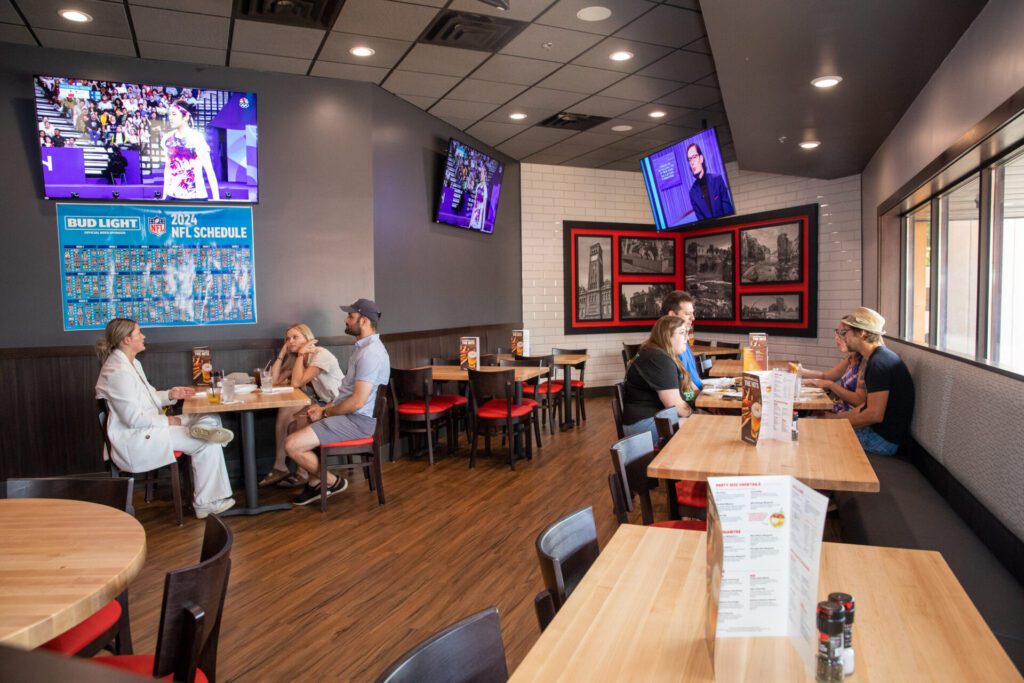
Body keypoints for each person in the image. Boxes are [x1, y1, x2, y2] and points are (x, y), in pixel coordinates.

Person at [94, 318, 235, 518]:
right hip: (137, 438)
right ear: (126, 340)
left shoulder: (131, 363)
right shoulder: (118, 373)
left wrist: (171, 394)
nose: (143, 336)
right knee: (207, 442)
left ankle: (204, 429)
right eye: (139, 332)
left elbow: (147, 398)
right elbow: (133, 419)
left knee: (208, 414)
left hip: (149, 427)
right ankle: (206, 504)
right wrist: (169, 421)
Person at [284, 299, 391, 506]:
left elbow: (357, 402)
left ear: (364, 321)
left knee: (291, 444)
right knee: (294, 425)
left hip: (357, 421)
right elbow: (348, 396)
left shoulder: (370, 353)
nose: (346, 320)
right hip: (350, 416)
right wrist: (325, 407)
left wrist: (325, 413)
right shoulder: (364, 349)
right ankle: (315, 482)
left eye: (351, 316)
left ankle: (332, 482)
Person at [259, 323, 345, 488]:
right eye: (287, 339)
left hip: (339, 405)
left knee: (299, 419)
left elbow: (297, 382)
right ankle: (281, 465)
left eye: (295, 337)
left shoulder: (320, 354)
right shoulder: (300, 358)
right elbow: (274, 381)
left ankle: (304, 472)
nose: (290, 341)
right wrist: (283, 353)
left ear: (308, 338)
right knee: (287, 408)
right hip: (324, 403)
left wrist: (299, 355)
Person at [827, 308, 914, 455]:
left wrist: (835, 423)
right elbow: (865, 407)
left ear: (862, 333)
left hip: (882, 440)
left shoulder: (878, 364)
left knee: (819, 436)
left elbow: (874, 415)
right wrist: (834, 419)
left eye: (845, 332)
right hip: (879, 434)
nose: (842, 337)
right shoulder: (876, 359)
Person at [622, 315, 696, 443]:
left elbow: (684, 395)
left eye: (687, 333)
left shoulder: (659, 353)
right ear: (667, 335)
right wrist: (697, 414)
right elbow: (675, 405)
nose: (687, 338)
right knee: (701, 426)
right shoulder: (659, 359)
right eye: (682, 333)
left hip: (656, 418)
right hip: (644, 425)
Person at [161, 100, 219, 201]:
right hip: (172, 196)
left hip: (196, 197)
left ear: (186, 117)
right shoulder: (167, 139)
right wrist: (164, 196)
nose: (170, 117)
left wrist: (217, 200)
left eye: (174, 114)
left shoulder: (197, 138)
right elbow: (168, 169)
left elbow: (209, 171)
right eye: (169, 114)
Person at [799, 329, 865, 413]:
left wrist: (830, 385)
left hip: (847, 414)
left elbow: (860, 402)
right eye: (837, 333)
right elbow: (826, 376)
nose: (837, 338)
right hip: (840, 408)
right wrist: (801, 371)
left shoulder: (864, 362)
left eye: (843, 333)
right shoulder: (850, 358)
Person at [660, 290, 703, 393]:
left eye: (693, 313)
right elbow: (685, 390)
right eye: (688, 314)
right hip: (690, 399)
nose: (693, 318)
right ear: (672, 315)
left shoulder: (683, 342)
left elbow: (693, 381)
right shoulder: (667, 348)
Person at [686, 142, 734, 221]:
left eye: (694, 157)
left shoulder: (717, 180)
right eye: (689, 159)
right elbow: (701, 221)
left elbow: (728, 210)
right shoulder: (692, 193)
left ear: (701, 158)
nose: (692, 162)